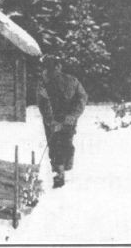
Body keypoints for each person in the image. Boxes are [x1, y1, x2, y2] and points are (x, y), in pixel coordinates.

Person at [36, 55, 88, 188]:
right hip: (56, 120)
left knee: (62, 144)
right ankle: (60, 174)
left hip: (66, 120)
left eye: (52, 68)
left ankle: (62, 173)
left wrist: (72, 115)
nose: (52, 72)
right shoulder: (44, 84)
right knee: (58, 145)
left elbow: (82, 98)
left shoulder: (72, 81)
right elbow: (43, 104)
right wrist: (52, 122)